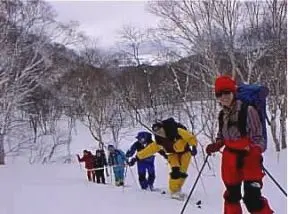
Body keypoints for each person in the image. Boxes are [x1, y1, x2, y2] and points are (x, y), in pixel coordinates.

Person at [205, 75, 273, 214]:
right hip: (230, 161)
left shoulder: (248, 111)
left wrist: (255, 150)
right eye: (219, 94)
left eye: (226, 92)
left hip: (250, 160)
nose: (223, 97)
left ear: (233, 92)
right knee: (231, 196)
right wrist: (217, 144)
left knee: (252, 199)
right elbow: (222, 135)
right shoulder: (222, 115)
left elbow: (259, 138)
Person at [129, 118, 198, 199]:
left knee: (182, 172)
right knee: (175, 171)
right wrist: (136, 158)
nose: (159, 133)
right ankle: (174, 191)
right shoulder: (159, 141)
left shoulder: (176, 131)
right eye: (156, 132)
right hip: (172, 155)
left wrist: (193, 146)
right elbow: (149, 150)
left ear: (163, 128)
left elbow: (189, 137)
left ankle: (178, 188)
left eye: (160, 130)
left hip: (185, 153)